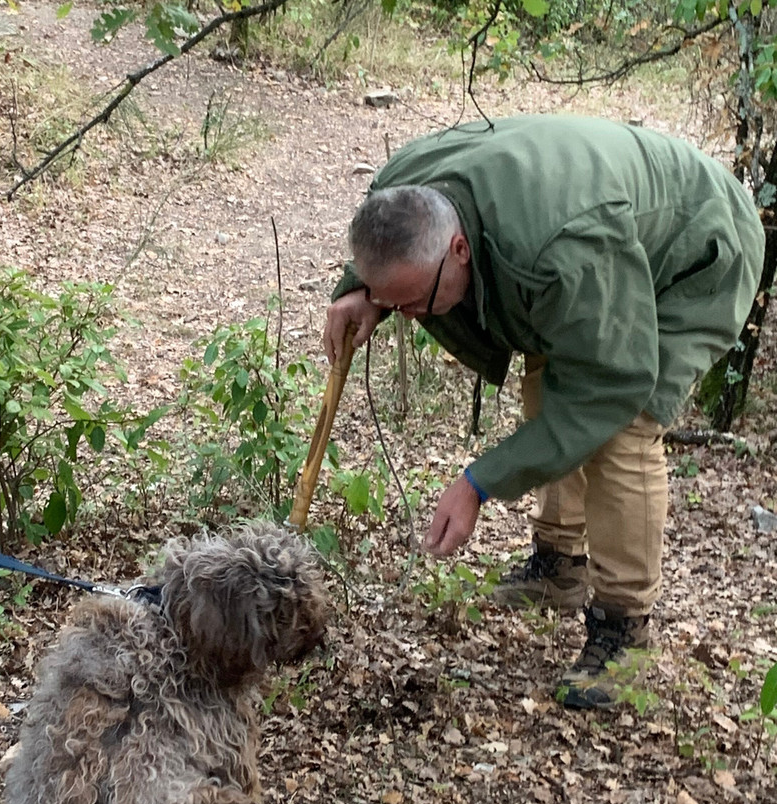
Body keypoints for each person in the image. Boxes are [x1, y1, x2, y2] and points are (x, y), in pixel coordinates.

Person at [324, 114, 763, 709]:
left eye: (413, 301)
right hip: (592, 237)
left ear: (459, 249)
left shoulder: (563, 255)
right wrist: (360, 288)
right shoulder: (405, 183)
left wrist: (479, 483)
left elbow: (608, 388)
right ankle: (560, 565)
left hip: (699, 247)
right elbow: (387, 232)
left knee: (622, 429)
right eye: (392, 303)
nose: (407, 316)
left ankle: (624, 631)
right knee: (550, 381)